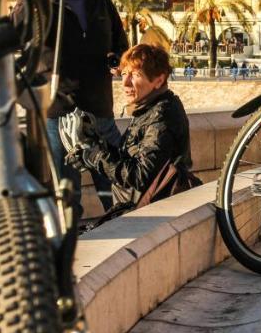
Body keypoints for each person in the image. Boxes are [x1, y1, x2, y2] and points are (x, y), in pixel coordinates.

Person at [20, 0, 128, 220]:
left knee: (116, 185)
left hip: (98, 110)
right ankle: (73, 247)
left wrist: (118, 60)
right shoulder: (39, 1)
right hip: (56, 112)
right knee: (66, 193)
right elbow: (17, 28)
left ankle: (125, 233)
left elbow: (121, 43)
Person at [69, 44, 196, 214]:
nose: (125, 82)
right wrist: (95, 146)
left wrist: (96, 157)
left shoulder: (162, 116)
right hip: (142, 208)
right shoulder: (149, 108)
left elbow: (140, 176)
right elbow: (130, 158)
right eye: (123, 74)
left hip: (152, 214)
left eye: (135, 75)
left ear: (158, 80)